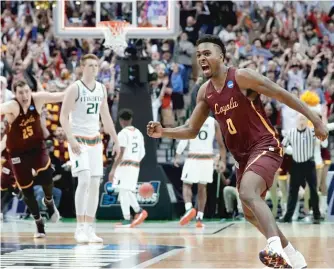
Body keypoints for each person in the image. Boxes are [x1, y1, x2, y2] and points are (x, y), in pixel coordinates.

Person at [147, 35, 328, 268]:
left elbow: (283, 94)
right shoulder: (205, 92)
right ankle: (293, 256)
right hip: (243, 157)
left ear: (221, 56)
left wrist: (316, 120)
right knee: (250, 212)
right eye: (199, 55)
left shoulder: (242, 77)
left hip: (266, 145)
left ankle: (273, 246)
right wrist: (164, 132)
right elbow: (191, 129)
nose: (201, 58)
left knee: (247, 190)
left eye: (207, 53)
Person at [60, 54, 120, 244]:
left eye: (96, 65)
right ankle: (79, 228)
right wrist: (71, 139)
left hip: (95, 140)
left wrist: (115, 139)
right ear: (82, 67)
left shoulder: (101, 88)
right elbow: (63, 116)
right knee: (84, 179)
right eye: (90, 65)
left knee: (95, 183)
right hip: (78, 139)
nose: (94, 68)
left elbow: (106, 117)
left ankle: (89, 228)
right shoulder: (74, 88)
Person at [0, 80, 64, 237]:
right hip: (17, 153)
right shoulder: (13, 106)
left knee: (47, 174)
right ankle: (39, 224)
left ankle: (49, 201)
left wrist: (79, 89)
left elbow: (59, 95)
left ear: (31, 90)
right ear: (15, 94)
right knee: (26, 190)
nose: (24, 95)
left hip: (36, 147)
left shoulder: (38, 98)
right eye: (20, 92)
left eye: (27, 91)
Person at [173, 116, 226, 228]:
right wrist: (223, 161)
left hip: (194, 157)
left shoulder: (191, 120)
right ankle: (199, 218)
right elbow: (221, 145)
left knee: (187, 184)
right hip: (207, 159)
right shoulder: (214, 122)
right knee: (203, 188)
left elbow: (184, 139)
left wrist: (178, 155)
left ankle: (188, 208)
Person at [108, 109, 147, 227]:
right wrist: (135, 161)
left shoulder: (123, 133)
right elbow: (143, 152)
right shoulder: (139, 133)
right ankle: (127, 218)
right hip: (135, 164)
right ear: (131, 119)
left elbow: (121, 152)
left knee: (124, 190)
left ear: (120, 121)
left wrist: (113, 169)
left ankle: (139, 211)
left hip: (125, 164)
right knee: (124, 190)